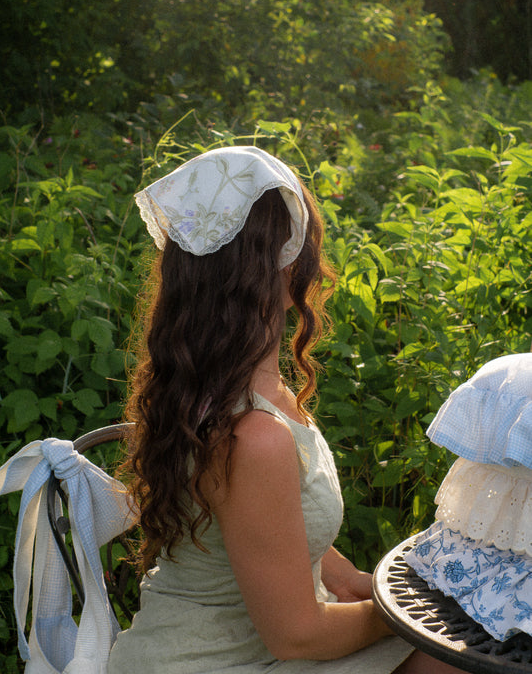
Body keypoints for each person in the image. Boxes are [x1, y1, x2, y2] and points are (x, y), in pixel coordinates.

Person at [108, 146, 461, 674]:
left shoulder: (226, 397)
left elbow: (321, 568)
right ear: (292, 262)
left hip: (237, 651)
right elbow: (297, 635)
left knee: (458, 651)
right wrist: (415, 616)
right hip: (213, 664)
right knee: (455, 662)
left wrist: (433, 593)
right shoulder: (254, 436)